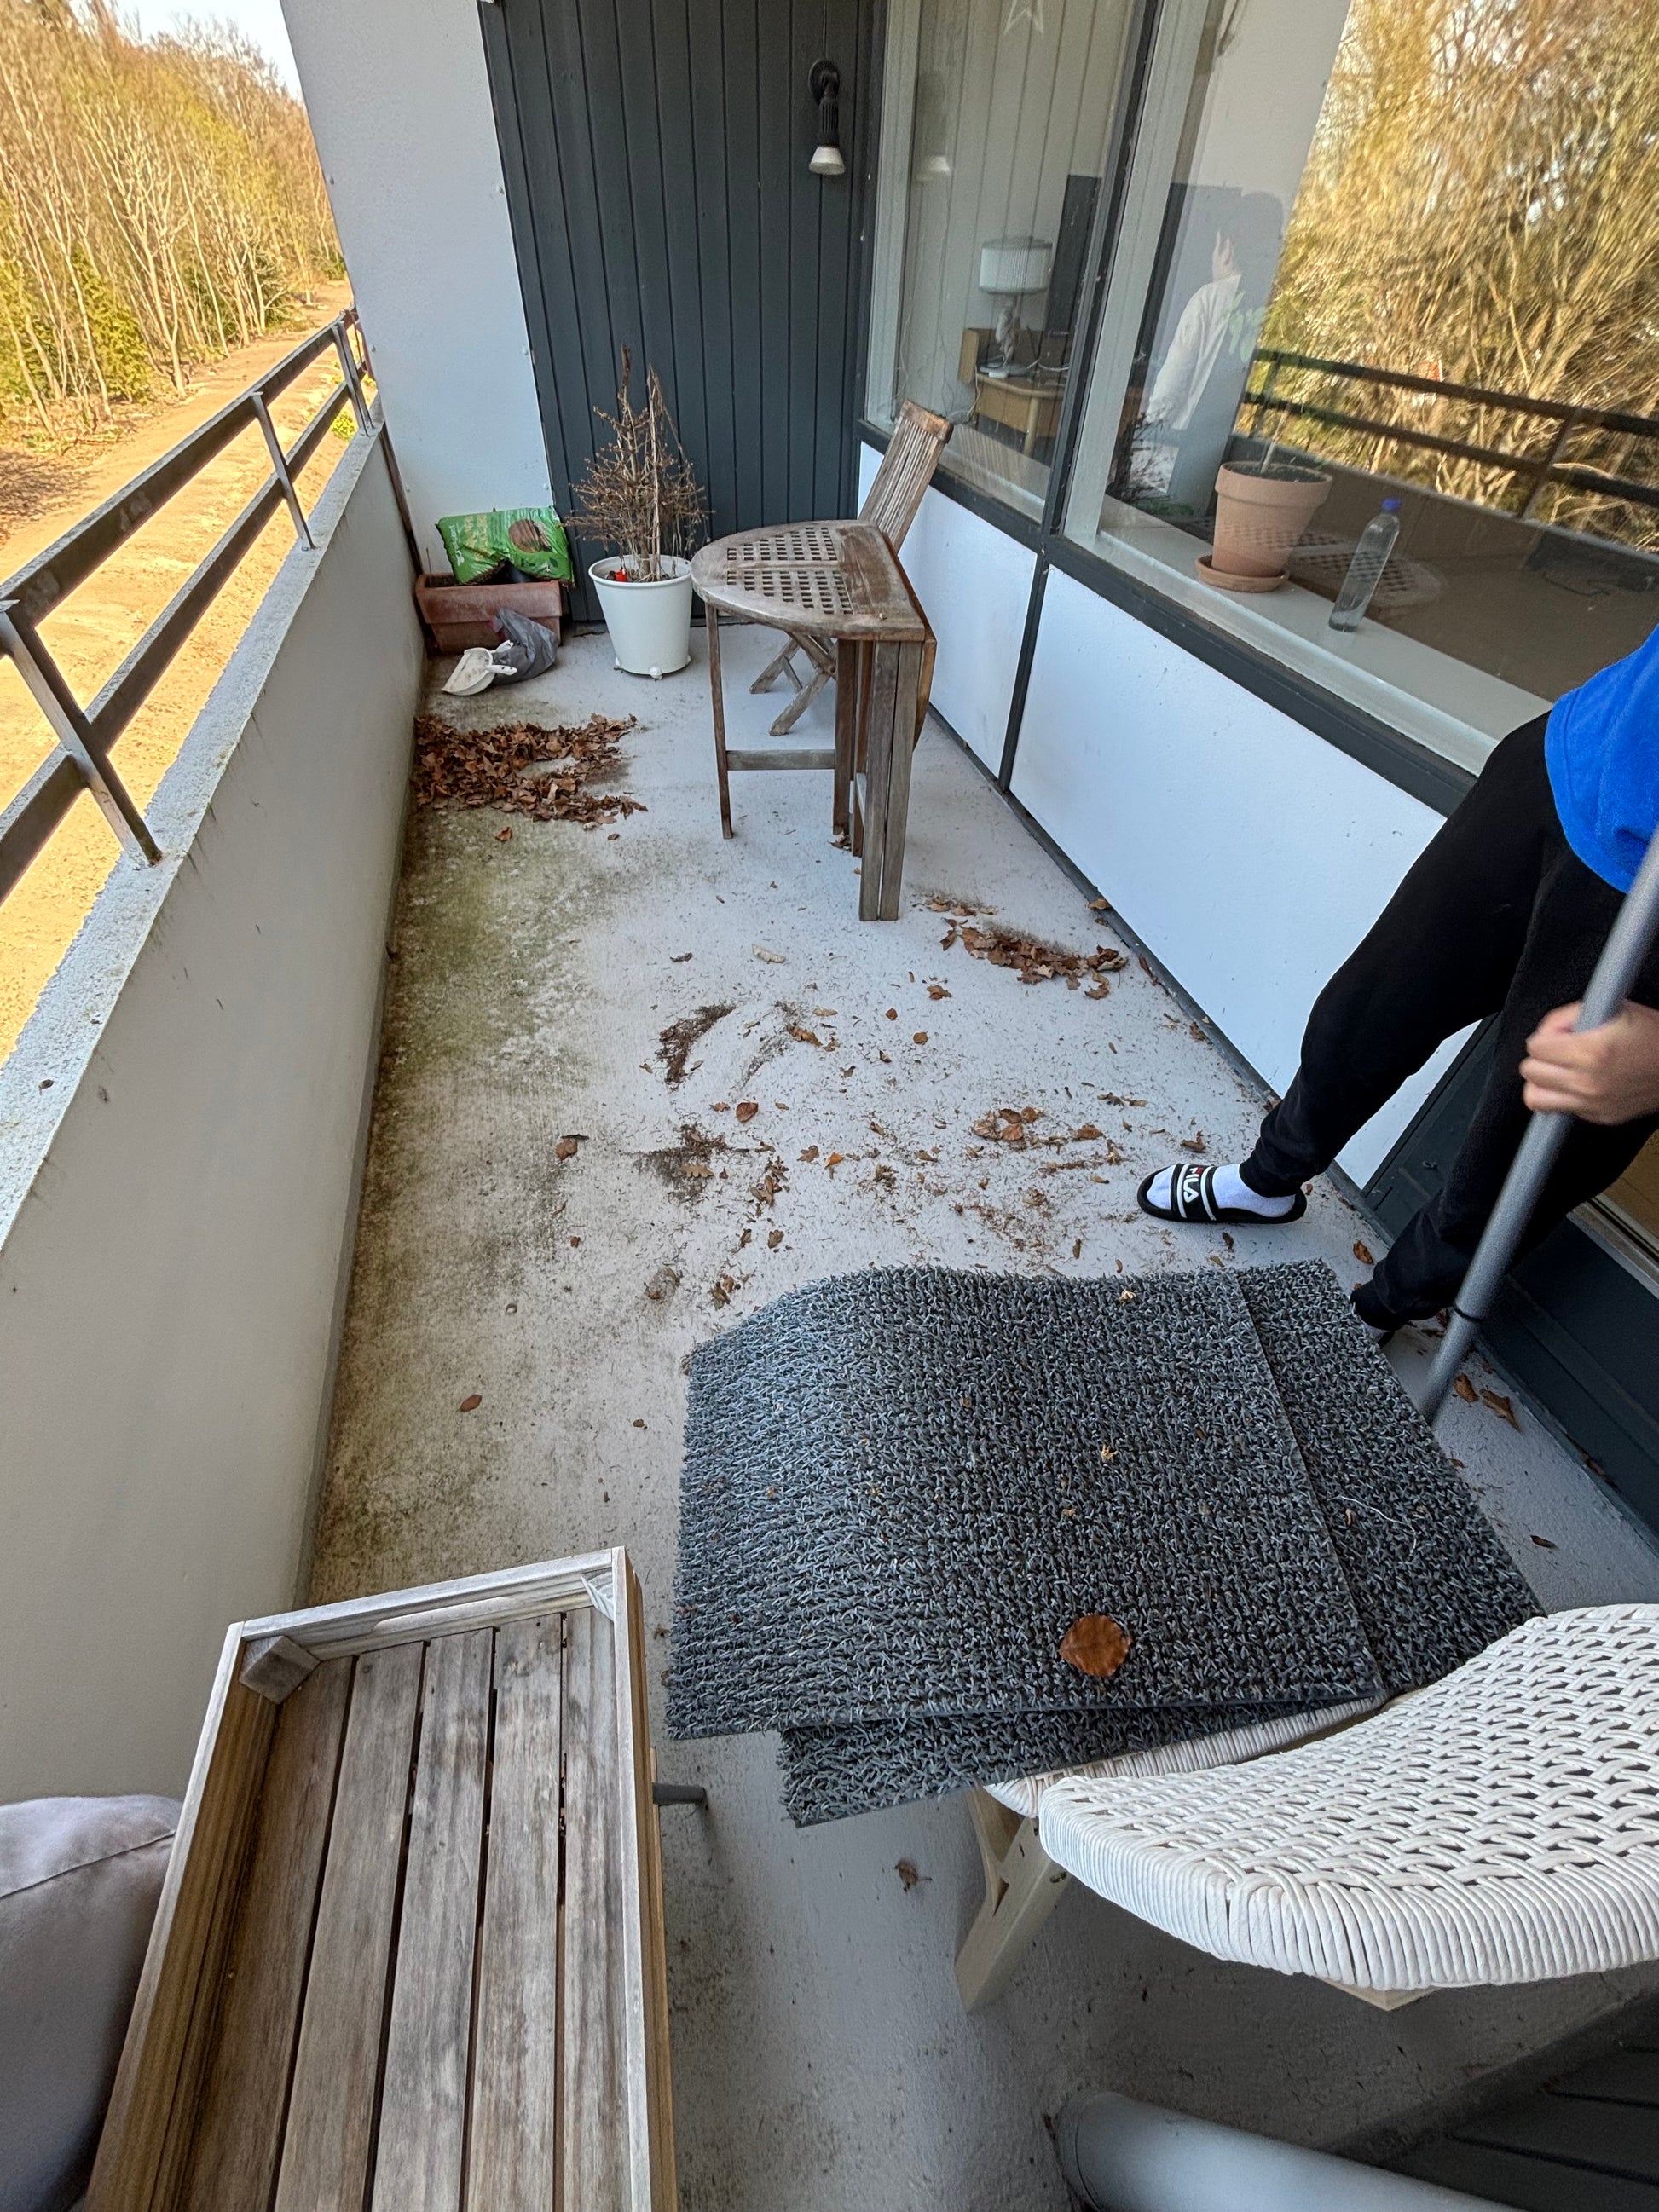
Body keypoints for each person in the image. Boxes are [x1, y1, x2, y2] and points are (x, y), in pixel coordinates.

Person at [1137, 621, 1659, 1333]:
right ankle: (1269, 1180)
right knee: (1364, 1015)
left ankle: (1382, 1312)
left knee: (1509, 1164)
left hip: (1649, 916)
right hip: (1583, 754)